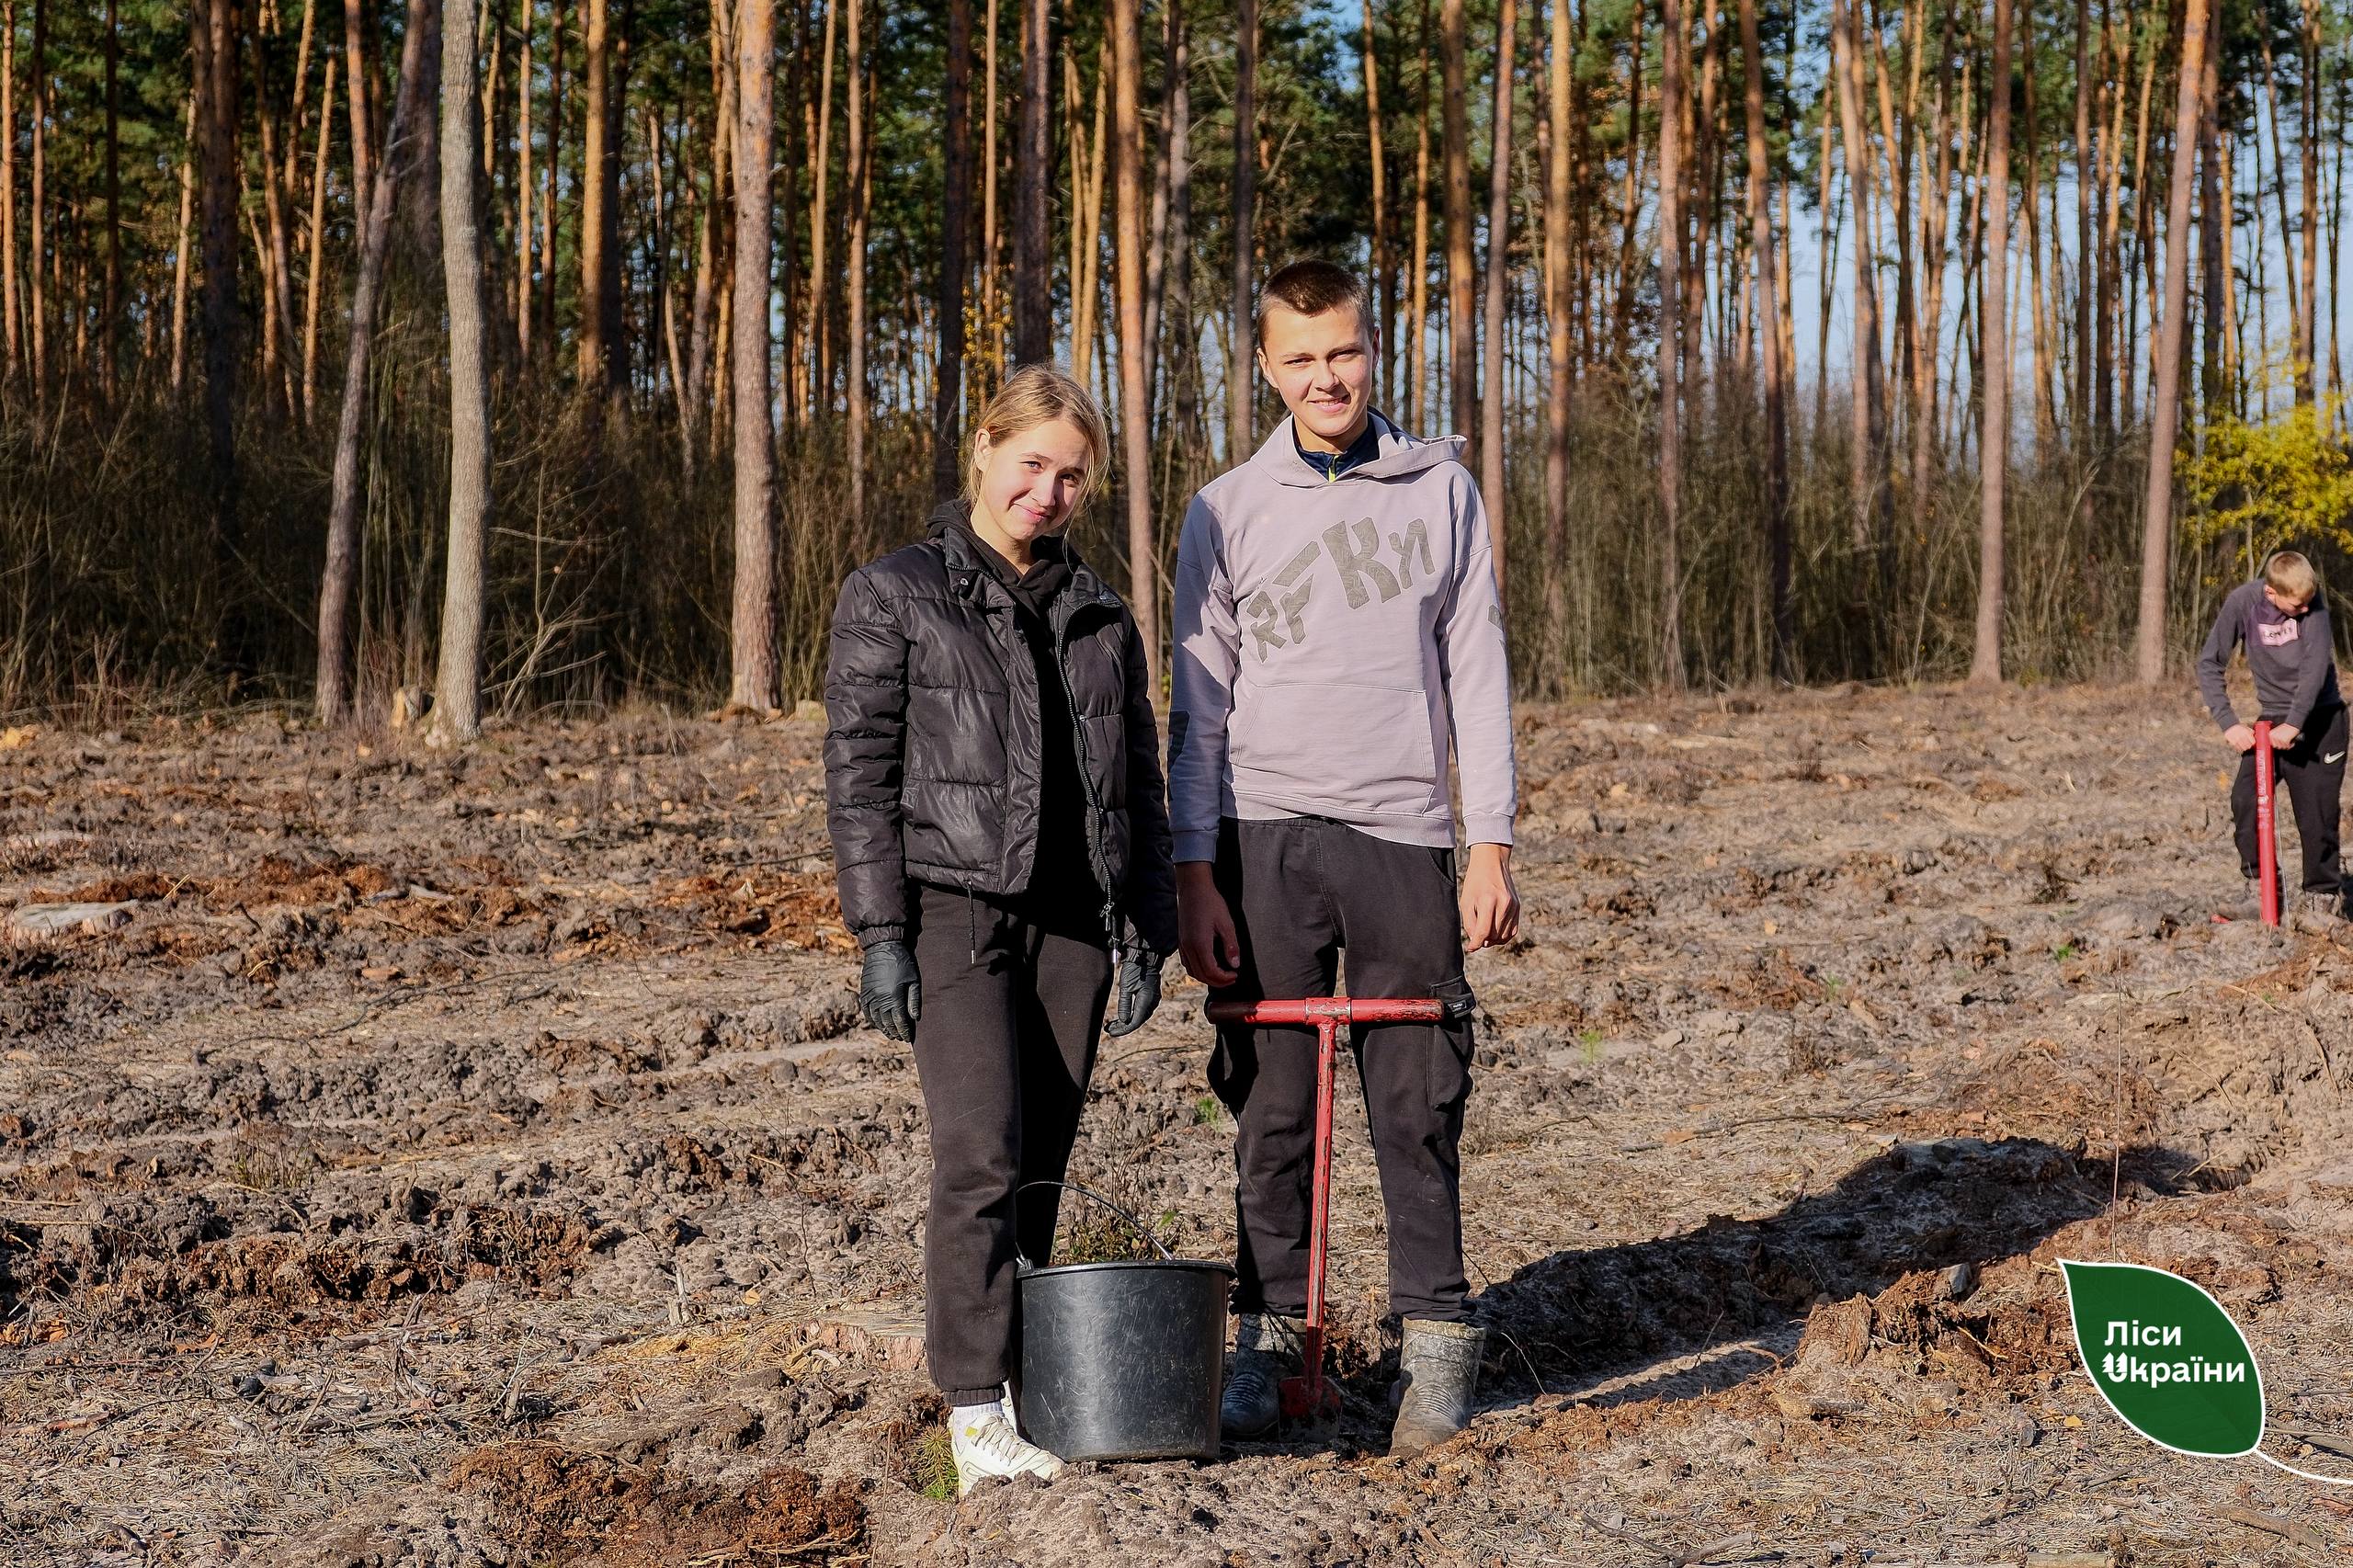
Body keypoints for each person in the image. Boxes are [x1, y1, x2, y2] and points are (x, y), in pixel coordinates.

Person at [1166, 259, 1519, 1456]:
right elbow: (1198, 703)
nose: (1327, 376)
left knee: (1416, 1103)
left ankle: (1437, 1347)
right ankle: (1264, 1345)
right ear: (1264, 367)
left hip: (1406, 836)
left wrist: (1491, 842)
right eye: (1300, 357)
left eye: (1346, 352)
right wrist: (1194, 867)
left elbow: (1477, 668)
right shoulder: (1224, 510)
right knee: (1272, 1110)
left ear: (1378, 352)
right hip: (1265, 842)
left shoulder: (1442, 491)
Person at [824, 366, 1178, 1494]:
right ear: (982, 450)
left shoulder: (1102, 611)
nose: (1049, 489)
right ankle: (975, 1413)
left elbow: (1141, 781)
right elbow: (859, 777)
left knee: (1041, 1172)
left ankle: (1030, 1382)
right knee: (978, 1157)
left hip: (1075, 922)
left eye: (1072, 474)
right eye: (1032, 463)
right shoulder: (893, 593)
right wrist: (881, 929)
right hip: (952, 909)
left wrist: (1145, 930)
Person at [2196, 549, 2347, 930]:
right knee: (2245, 800)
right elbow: (2210, 663)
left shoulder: (2314, 606)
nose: (2302, 611)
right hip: (2272, 721)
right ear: (2270, 593)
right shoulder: (2243, 602)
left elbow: (2315, 669)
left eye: (2307, 603)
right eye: (2295, 606)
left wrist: (2294, 724)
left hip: (2321, 719)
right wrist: (2229, 723)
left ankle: (2322, 898)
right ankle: (2260, 887)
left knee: (2316, 814)